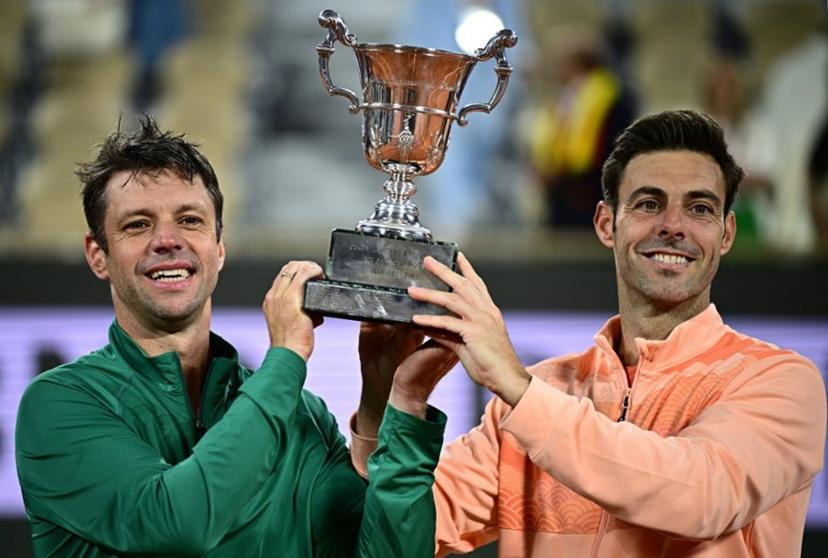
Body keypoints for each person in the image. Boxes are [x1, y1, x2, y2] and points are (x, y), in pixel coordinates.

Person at [351, 110, 827, 556]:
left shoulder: (779, 382)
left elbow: (701, 497)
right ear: (606, 223)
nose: (674, 227)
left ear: (725, 235)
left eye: (700, 209)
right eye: (648, 203)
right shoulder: (537, 398)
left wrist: (517, 386)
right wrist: (391, 401)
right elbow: (396, 538)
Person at [14, 116, 448, 557]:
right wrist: (286, 356)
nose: (167, 240)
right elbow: (178, 525)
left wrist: (394, 401)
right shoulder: (62, 404)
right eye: (137, 225)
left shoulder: (299, 415)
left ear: (218, 249)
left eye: (190, 220)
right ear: (97, 255)